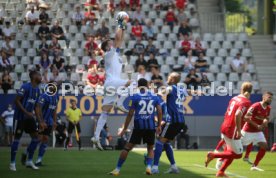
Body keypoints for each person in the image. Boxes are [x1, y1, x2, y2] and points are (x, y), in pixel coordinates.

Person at [91, 12, 132, 150]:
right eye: (110, 42)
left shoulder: (115, 54)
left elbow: (120, 38)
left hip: (111, 84)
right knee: (132, 83)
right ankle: (120, 103)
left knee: (105, 112)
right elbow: (118, 38)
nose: (113, 42)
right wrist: (120, 23)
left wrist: (124, 26)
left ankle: (96, 137)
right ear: (107, 47)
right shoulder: (108, 54)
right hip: (112, 82)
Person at [109, 78, 162, 175]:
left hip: (138, 126)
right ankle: (149, 167)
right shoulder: (154, 96)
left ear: (138, 86)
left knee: (127, 148)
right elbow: (159, 111)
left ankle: (117, 169)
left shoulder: (135, 97)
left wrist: (124, 128)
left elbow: (130, 114)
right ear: (147, 85)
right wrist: (158, 125)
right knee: (150, 148)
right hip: (150, 126)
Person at [205, 82, 253, 177]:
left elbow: (229, 113)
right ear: (249, 92)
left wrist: (245, 118)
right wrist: (239, 131)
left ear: (241, 89)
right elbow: (237, 114)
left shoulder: (234, 98)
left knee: (231, 152)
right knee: (238, 154)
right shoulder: (246, 102)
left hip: (225, 126)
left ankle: (221, 172)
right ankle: (213, 155)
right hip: (232, 130)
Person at [151, 72, 189, 174]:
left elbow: (163, 92)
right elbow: (188, 91)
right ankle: (174, 167)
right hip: (181, 121)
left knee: (160, 141)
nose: (167, 78)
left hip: (172, 121)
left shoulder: (171, 88)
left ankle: (154, 168)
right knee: (166, 142)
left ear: (172, 79)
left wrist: (153, 93)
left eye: (169, 77)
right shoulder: (181, 89)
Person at [10, 70, 43, 171]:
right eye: (39, 75)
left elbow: (36, 107)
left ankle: (29, 161)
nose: (41, 77)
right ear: (33, 77)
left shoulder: (37, 90)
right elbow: (16, 100)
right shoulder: (25, 87)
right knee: (17, 139)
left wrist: (40, 121)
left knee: (36, 138)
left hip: (29, 118)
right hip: (20, 117)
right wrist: (26, 112)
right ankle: (12, 163)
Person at [241, 91, 273, 171]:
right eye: (269, 97)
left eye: (271, 98)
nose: (270, 99)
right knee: (235, 149)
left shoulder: (268, 108)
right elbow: (245, 117)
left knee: (264, 147)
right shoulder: (255, 106)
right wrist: (257, 125)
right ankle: (222, 157)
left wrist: (265, 121)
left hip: (258, 132)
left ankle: (254, 166)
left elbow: (267, 118)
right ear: (264, 97)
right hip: (247, 131)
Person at [32, 83, 59, 166]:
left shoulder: (56, 97)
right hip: (41, 120)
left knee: (46, 139)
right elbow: (38, 108)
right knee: (38, 138)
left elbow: (54, 110)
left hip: (49, 121)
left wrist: (54, 121)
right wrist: (41, 121)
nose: (54, 87)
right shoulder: (44, 96)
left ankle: (39, 160)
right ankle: (28, 155)